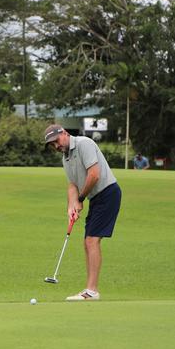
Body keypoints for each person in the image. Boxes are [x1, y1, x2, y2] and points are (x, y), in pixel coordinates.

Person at [44, 124, 122, 301]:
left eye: (56, 141)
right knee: (87, 242)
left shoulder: (83, 144)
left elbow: (94, 175)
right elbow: (72, 184)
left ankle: (92, 291)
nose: (56, 146)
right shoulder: (66, 158)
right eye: (52, 145)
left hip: (108, 193)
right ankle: (90, 289)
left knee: (92, 241)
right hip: (96, 198)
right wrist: (71, 207)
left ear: (64, 133)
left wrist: (80, 199)